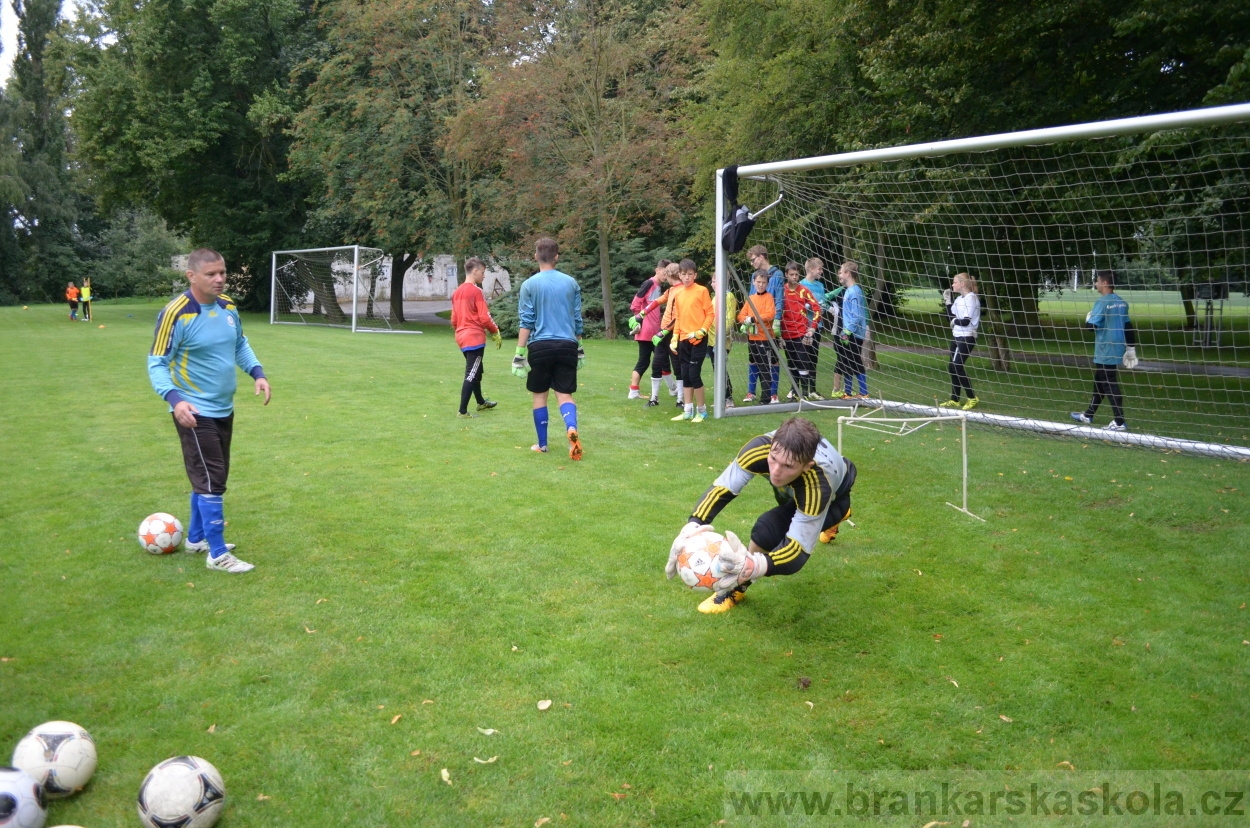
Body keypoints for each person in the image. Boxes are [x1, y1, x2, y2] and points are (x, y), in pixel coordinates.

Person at [147, 248, 271, 574]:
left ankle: (196, 538)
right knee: (212, 480)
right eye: (211, 274)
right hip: (193, 412)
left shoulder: (228, 306)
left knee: (209, 477)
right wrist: (176, 401)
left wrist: (257, 373)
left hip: (224, 408)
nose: (219, 279)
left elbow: (239, 343)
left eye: (222, 272)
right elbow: (157, 362)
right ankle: (217, 554)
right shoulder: (176, 313)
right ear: (191, 276)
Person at [664, 416, 856, 614]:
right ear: (772, 445)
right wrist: (693, 525)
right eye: (773, 459)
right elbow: (722, 488)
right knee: (786, 502)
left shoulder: (818, 486)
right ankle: (826, 517)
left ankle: (737, 588)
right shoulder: (759, 449)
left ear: (807, 465)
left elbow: (798, 551)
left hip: (835, 497)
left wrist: (753, 566)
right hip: (794, 490)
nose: (775, 471)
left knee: (767, 529)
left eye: (788, 466)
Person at [512, 237, 585, 459]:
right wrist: (579, 347)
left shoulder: (529, 285)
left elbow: (527, 321)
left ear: (536, 256)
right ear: (556, 257)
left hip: (540, 346)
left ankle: (542, 445)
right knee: (564, 395)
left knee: (539, 397)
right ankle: (571, 428)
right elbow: (577, 319)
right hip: (567, 345)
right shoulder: (571, 283)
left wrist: (519, 352)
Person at [1071, 270, 1137, 431]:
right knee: (1100, 382)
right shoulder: (1122, 303)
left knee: (1109, 383)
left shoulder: (1102, 302)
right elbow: (1128, 327)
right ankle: (1088, 415)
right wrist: (1131, 349)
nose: (1096, 284)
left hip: (1105, 348)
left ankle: (1119, 422)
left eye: (1097, 281)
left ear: (1105, 283)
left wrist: (1088, 319)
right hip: (1117, 347)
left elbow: (1091, 327)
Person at [451, 257, 501, 419]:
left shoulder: (456, 292)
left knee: (477, 370)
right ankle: (462, 411)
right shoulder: (476, 291)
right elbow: (485, 317)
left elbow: (453, 319)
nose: (484, 276)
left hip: (462, 337)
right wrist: (495, 331)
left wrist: (460, 331)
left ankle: (480, 402)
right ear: (475, 271)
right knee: (471, 373)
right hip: (473, 337)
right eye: (483, 272)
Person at [668, 259, 715, 423]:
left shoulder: (701, 291)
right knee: (685, 374)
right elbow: (678, 318)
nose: (686, 277)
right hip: (684, 340)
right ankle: (688, 410)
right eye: (683, 274)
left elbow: (710, 314)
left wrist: (702, 331)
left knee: (694, 374)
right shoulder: (678, 294)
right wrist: (675, 337)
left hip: (699, 339)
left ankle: (702, 411)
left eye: (690, 274)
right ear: (679, 275)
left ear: (695, 275)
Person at [627, 260, 672, 402]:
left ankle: (673, 389)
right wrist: (639, 322)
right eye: (664, 272)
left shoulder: (659, 287)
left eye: (668, 273)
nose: (666, 276)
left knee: (661, 360)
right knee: (648, 361)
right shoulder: (649, 284)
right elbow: (635, 304)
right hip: (646, 331)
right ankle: (633, 391)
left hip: (654, 330)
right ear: (657, 270)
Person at [746, 245, 785, 397]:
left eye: (753, 259)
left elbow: (780, 299)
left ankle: (773, 393)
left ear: (761, 257)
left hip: (770, 323)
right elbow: (750, 297)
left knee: (773, 359)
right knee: (753, 357)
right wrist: (748, 321)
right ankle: (751, 392)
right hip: (754, 323)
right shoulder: (754, 276)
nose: (752, 263)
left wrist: (777, 320)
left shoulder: (778, 274)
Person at [938, 272, 981, 410]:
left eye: (954, 282)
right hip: (956, 336)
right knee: (952, 367)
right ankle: (955, 399)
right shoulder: (959, 300)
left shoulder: (971, 298)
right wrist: (948, 302)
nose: (952, 284)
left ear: (962, 284)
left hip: (967, 336)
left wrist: (954, 320)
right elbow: (949, 318)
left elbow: (964, 321)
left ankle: (972, 398)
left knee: (957, 365)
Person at [779, 262, 821, 400]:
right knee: (791, 364)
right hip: (786, 333)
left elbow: (817, 309)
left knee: (803, 362)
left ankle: (804, 393)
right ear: (786, 275)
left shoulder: (804, 290)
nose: (794, 277)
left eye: (797, 274)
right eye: (791, 274)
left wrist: (812, 328)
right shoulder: (781, 291)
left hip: (802, 333)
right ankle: (794, 391)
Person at [737, 269, 778, 404]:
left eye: (763, 282)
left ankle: (766, 397)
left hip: (765, 338)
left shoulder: (769, 297)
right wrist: (746, 320)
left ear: (767, 283)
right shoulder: (751, 299)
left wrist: (753, 319)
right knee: (754, 365)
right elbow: (740, 315)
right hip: (752, 338)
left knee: (765, 368)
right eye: (758, 282)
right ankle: (752, 392)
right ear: (754, 282)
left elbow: (770, 314)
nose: (761, 284)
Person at [836, 261, 869, 399]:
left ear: (848, 273)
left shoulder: (855, 291)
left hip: (854, 334)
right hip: (848, 333)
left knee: (855, 361)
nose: (840, 275)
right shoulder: (849, 290)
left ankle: (864, 392)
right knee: (847, 362)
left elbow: (856, 315)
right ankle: (848, 392)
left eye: (842, 272)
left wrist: (847, 331)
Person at [799, 258, 827, 400]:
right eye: (819, 269)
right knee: (804, 358)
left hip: (817, 328)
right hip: (804, 328)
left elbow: (823, 303)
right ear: (811, 269)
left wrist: (824, 307)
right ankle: (803, 391)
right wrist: (808, 306)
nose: (821, 271)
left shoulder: (820, 286)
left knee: (814, 359)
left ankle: (813, 390)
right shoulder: (801, 285)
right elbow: (798, 306)